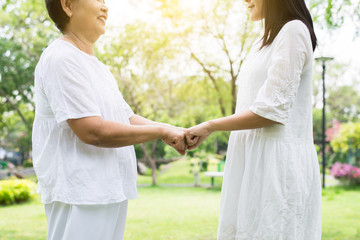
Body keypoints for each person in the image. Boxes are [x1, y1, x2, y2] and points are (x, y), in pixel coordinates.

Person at [32, 0, 187, 239]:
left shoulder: (97, 68)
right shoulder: (61, 58)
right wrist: (162, 132)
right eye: (98, 0)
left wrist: (173, 130)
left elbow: (126, 117)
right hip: (80, 193)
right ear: (68, 5)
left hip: (107, 189)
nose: (105, 7)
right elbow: (91, 131)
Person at [186, 0, 322, 239]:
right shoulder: (262, 42)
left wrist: (209, 126)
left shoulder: (293, 31)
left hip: (275, 166)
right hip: (250, 161)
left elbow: (270, 111)